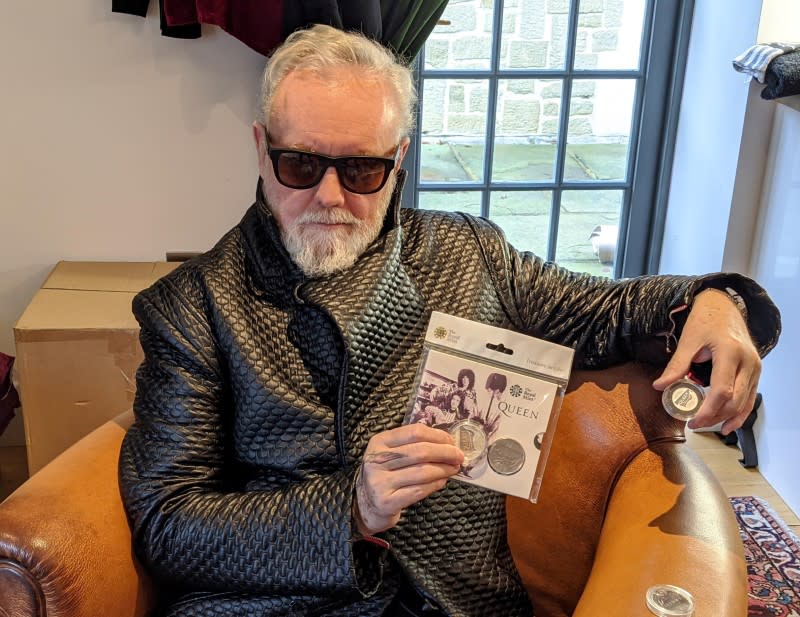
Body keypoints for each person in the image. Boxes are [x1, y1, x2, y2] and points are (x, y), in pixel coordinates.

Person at [119, 24, 781, 617]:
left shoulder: (469, 254)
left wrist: (717, 303)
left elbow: (609, 311)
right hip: (276, 600)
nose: (327, 197)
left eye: (360, 169)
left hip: (454, 599)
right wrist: (350, 507)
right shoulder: (194, 307)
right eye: (300, 163)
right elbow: (167, 524)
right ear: (263, 150)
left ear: (398, 160)